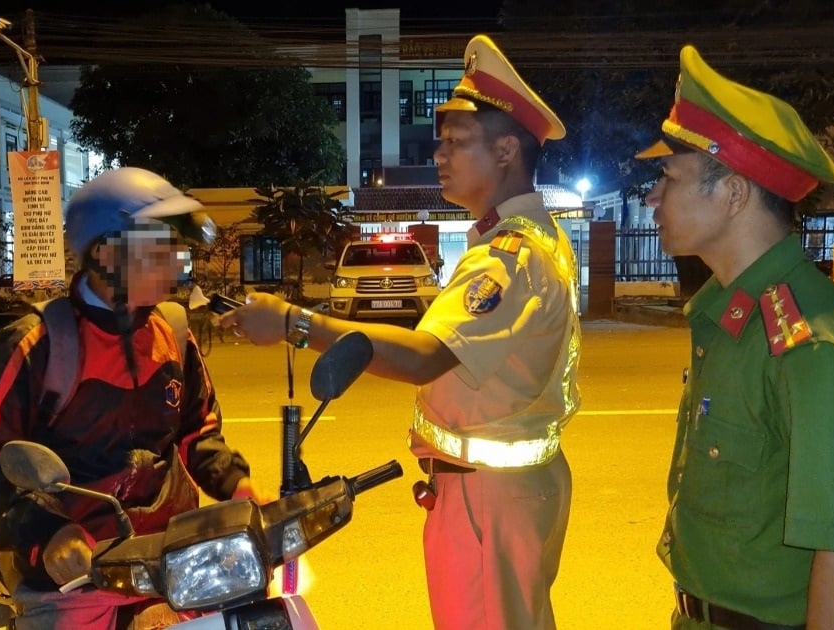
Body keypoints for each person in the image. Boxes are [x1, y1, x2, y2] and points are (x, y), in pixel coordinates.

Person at [220, 34, 581, 630]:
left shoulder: (507, 258)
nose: (439, 154)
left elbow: (422, 357)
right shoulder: (525, 242)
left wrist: (294, 323)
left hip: (489, 502)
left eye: (457, 142)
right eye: (441, 141)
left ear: (506, 150)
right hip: (500, 490)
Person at [636, 45, 834, 629]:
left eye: (669, 178)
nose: (652, 197)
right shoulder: (730, 319)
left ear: (732, 194)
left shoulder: (814, 348)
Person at [0, 167, 265, 630]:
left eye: (177, 248)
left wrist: (239, 486)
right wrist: (46, 533)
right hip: (75, 572)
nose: (176, 263)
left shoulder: (173, 335)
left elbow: (197, 434)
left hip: (169, 565)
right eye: (159, 248)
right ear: (105, 253)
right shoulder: (38, 344)